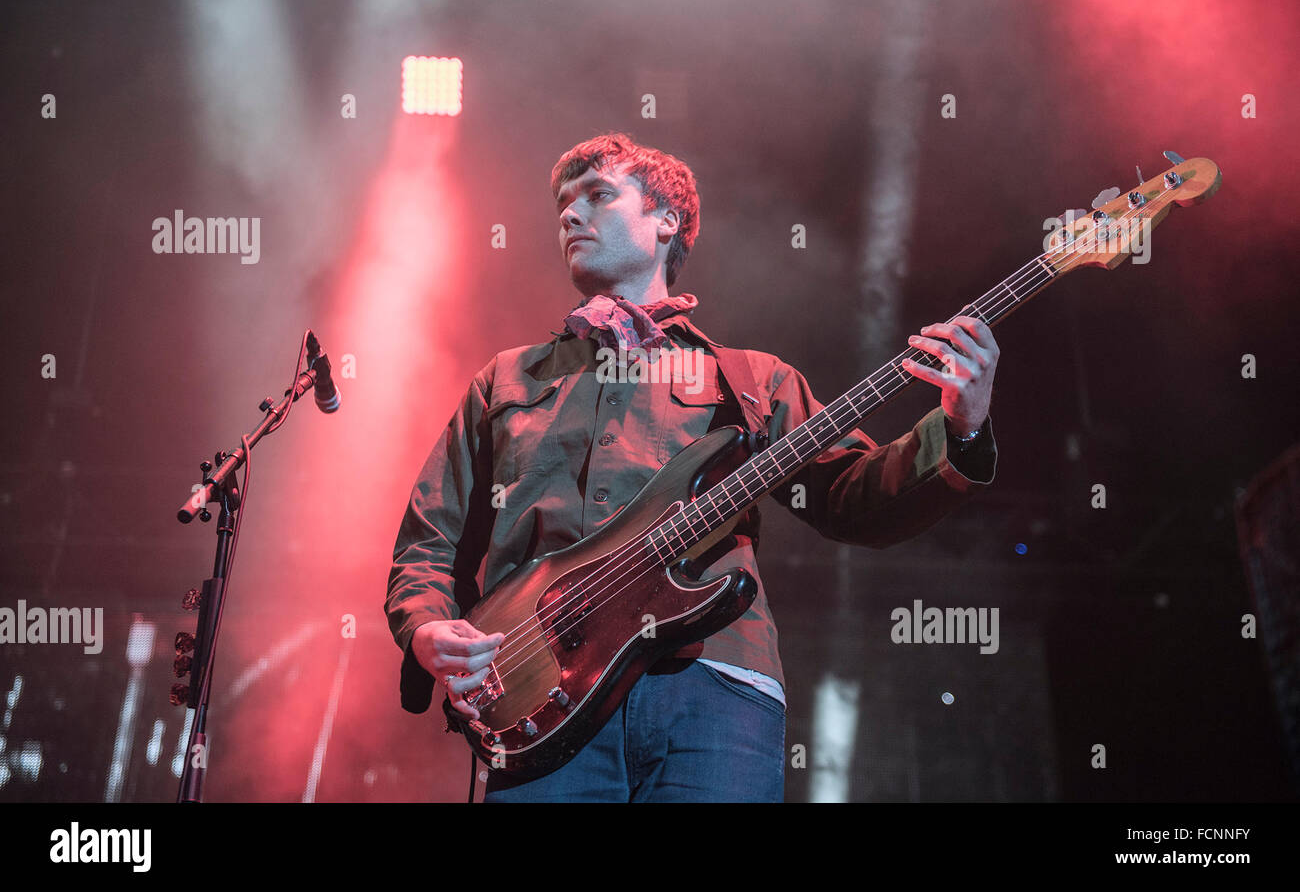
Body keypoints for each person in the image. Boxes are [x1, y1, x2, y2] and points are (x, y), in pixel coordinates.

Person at [385, 132, 1000, 802]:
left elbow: (851, 496)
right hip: (538, 695)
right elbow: (428, 539)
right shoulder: (503, 379)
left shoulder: (748, 380)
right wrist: (426, 630)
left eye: (597, 195)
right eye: (563, 203)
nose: (568, 214)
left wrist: (959, 426)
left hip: (713, 687)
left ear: (666, 220)